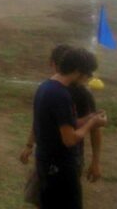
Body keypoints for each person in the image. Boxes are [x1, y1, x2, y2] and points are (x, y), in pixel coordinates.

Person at [20, 45, 104, 207]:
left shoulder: (45, 87)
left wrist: (89, 118)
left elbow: (59, 124)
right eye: (88, 74)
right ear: (79, 71)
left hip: (45, 163)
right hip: (61, 168)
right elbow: (70, 139)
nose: (88, 78)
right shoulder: (62, 95)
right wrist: (92, 123)